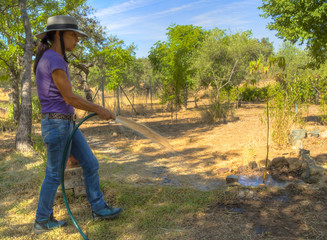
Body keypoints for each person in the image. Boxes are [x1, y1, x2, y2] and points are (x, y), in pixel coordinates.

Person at [33, 15, 122, 234]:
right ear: (58, 35)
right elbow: (70, 98)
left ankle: (99, 208)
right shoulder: (53, 59)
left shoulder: (52, 58)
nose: (77, 40)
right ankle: (42, 221)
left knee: (90, 163)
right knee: (54, 174)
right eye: (73, 35)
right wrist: (99, 109)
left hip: (65, 125)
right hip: (57, 125)